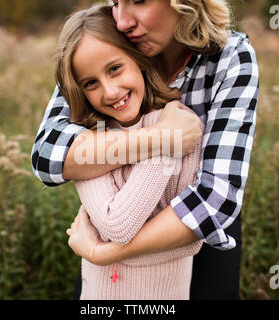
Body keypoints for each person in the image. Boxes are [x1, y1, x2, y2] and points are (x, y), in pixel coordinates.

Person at [31, 0, 259, 300]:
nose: (123, 20)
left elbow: (215, 199)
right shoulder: (107, 35)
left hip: (196, 234)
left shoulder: (229, 57)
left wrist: (106, 252)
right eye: (115, 2)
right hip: (107, 241)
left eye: (138, 1)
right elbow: (47, 156)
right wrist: (162, 139)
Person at [55, 5, 205, 299]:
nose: (110, 91)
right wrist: (165, 141)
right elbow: (118, 226)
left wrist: (99, 251)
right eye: (90, 83)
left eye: (114, 68)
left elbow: (193, 241)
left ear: (140, 60)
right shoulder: (91, 141)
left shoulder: (184, 124)